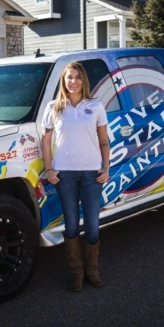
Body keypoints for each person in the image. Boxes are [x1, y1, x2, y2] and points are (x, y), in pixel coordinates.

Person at [41, 62, 110, 292]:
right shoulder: (54, 107)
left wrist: (106, 168)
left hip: (92, 173)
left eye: (78, 77)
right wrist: (49, 169)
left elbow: (103, 141)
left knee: (92, 225)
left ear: (84, 81)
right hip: (65, 175)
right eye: (69, 77)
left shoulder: (96, 106)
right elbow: (46, 141)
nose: (73, 81)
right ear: (64, 80)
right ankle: (77, 275)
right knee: (71, 225)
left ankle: (92, 271)